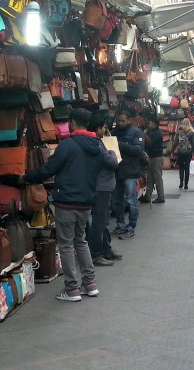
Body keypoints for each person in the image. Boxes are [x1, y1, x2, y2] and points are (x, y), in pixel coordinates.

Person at [23, 107, 117, 302]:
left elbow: (49, 169)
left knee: (66, 245)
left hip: (66, 200)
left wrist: (27, 178)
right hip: (86, 201)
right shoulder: (97, 146)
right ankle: (90, 284)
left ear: (73, 123)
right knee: (81, 241)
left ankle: (72, 288)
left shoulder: (67, 145)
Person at [89, 115, 124, 265]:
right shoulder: (97, 144)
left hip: (104, 186)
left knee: (103, 221)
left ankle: (106, 250)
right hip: (101, 187)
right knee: (99, 221)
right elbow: (112, 162)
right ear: (98, 129)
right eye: (104, 127)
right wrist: (112, 153)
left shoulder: (99, 142)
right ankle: (97, 254)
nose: (105, 130)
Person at [112, 109, 146, 239]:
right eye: (118, 121)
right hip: (116, 171)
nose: (120, 123)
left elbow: (138, 150)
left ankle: (131, 226)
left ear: (129, 120)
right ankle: (120, 224)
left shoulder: (136, 133)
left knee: (132, 201)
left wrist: (119, 145)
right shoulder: (114, 133)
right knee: (117, 201)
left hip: (130, 172)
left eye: (123, 121)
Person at [143, 113, 166, 204]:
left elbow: (150, 144)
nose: (148, 124)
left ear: (154, 123)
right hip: (151, 157)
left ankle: (161, 196)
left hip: (156, 158)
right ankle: (147, 196)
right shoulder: (151, 132)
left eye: (150, 123)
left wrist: (144, 136)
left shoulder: (156, 133)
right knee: (150, 178)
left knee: (157, 178)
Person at [170, 120, 194, 190]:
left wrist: (172, 151)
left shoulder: (179, 132)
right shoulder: (192, 132)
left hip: (180, 152)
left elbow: (175, 142)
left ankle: (181, 183)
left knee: (181, 168)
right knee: (187, 167)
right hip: (188, 152)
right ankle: (186, 184)